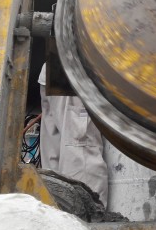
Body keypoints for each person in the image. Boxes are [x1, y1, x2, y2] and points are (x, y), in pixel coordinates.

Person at [38, 63, 109, 207]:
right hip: (78, 69)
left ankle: (55, 213)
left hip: (58, 65)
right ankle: (85, 216)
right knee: (81, 152)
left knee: (54, 160)